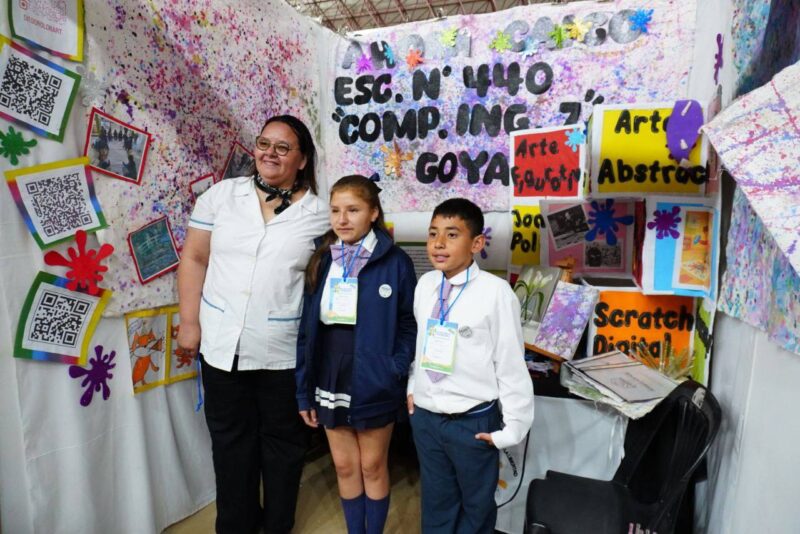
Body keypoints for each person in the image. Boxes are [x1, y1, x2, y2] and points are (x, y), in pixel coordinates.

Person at [177, 115, 330, 534]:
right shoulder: (221, 197)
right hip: (222, 344)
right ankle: (235, 526)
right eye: (264, 143)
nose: (270, 153)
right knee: (230, 444)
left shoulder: (319, 214)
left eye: (283, 147)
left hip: (281, 351)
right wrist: (189, 322)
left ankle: (277, 526)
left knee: (283, 447)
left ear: (302, 160)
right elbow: (194, 258)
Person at [296, 175, 417, 534]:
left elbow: (409, 323)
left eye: (353, 210)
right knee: (345, 468)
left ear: (373, 213)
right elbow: (306, 330)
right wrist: (304, 388)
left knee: (372, 467)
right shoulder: (322, 260)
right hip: (329, 376)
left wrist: (392, 368)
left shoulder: (395, 262)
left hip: (374, 379)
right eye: (335, 210)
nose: (342, 219)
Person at [407, 198, 535, 533]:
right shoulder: (425, 286)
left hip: (473, 421)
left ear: (476, 243)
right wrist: (412, 388)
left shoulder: (495, 293)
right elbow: (421, 346)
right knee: (436, 503)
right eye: (433, 233)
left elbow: (510, 364)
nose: (438, 243)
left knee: (476, 509)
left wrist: (512, 430)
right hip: (427, 418)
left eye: (452, 235)